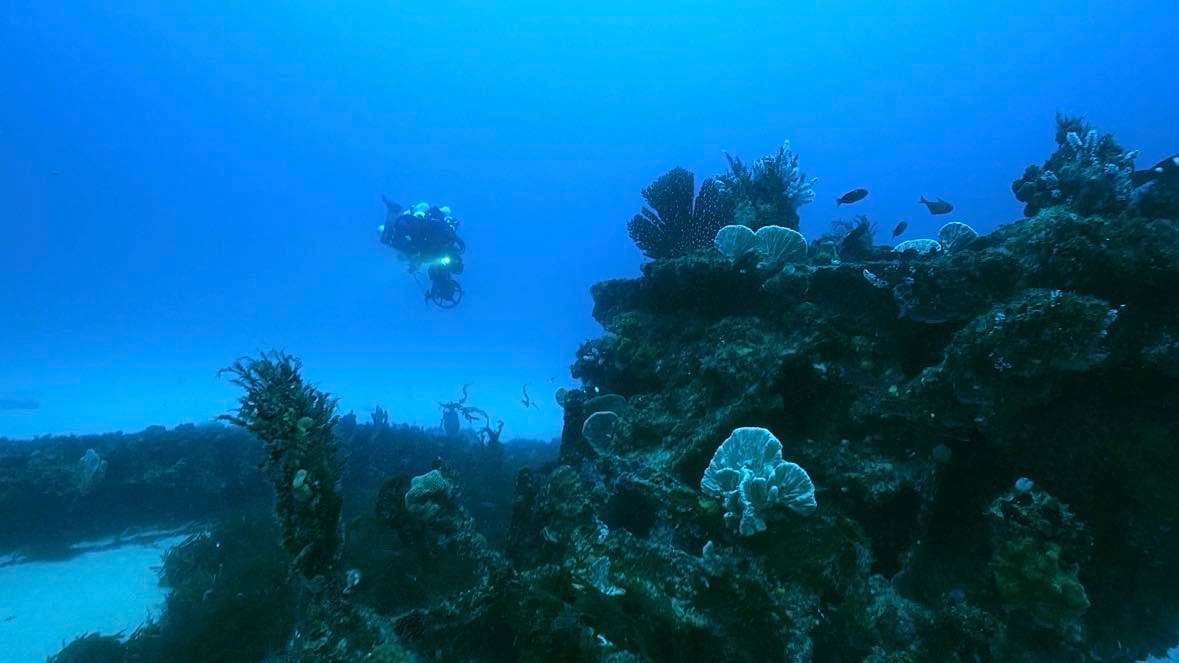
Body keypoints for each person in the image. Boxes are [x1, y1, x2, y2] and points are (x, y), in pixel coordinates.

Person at [379, 197, 467, 307]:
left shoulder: (435, 263)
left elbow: (421, 257)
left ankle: (394, 210)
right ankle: (394, 210)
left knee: (387, 239)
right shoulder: (449, 257)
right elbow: (456, 247)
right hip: (421, 229)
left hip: (418, 239)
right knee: (393, 232)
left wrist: (413, 264)